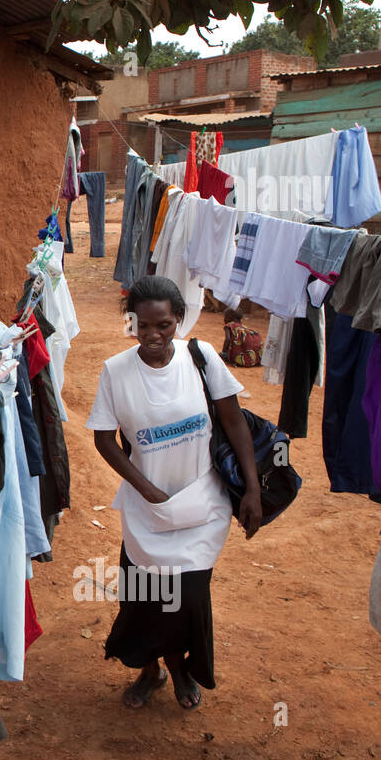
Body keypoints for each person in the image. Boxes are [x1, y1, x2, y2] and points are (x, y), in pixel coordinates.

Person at [86, 276, 263, 710]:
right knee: (143, 597)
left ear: (179, 320)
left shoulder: (201, 358)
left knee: (188, 598)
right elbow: (105, 439)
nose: (152, 336)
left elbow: (235, 422)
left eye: (163, 325)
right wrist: (146, 489)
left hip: (202, 503)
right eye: (142, 326)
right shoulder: (116, 371)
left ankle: (182, 669)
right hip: (147, 511)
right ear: (132, 323)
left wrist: (253, 488)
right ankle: (150, 673)